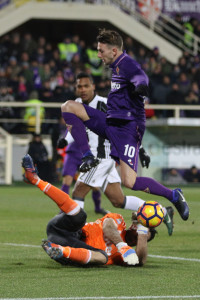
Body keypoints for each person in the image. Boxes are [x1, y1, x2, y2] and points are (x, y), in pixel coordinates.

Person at [60, 29, 189, 222]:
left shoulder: (127, 64)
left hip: (128, 129)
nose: (98, 55)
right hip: (111, 122)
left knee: (130, 182)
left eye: (101, 51)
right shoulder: (116, 67)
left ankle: (173, 195)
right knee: (69, 107)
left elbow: (140, 76)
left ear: (114, 51)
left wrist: (141, 87)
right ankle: (87, 156)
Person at [58, 72, 173, 235]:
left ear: (93, 87)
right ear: (75, 88)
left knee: (78, 192)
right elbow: (75, 129)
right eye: (79, 86)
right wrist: (66, 140)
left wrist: (139, 149)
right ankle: (163, 210)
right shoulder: (76, 105)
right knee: (118, 200)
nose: (82, 89)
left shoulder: (105, 104)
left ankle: (74, 233)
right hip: (100, 160)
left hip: (101, 158)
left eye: (86, 86)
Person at [22, 153, 157, 267]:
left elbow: (140, 262)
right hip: (67, 230)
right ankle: (35, 179)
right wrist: (122, 245)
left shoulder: (124, 257)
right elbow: (108, 225)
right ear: (133, 225)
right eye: (138, 233)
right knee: (80, 216)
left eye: (140, 238)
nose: (137, 237)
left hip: (69, 247)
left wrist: (143, 233)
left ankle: (58, 250)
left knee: (103, 258)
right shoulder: (119, 221)